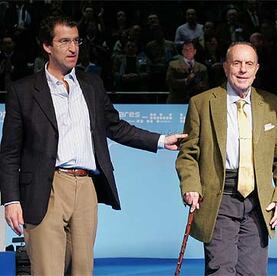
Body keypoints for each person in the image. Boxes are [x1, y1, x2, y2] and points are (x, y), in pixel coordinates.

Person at [0, 16, 186, 276]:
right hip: (46, 187)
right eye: (64, 41)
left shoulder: (92, 85)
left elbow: (115, 126)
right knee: (47, 271)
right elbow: (9, 152)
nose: (73, 48)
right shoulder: (23, 91)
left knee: (82, 270)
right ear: (47, 46)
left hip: (86, 187)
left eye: (76, 41)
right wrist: (10, 200)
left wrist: (161, 141)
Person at [176, 42, 277, 275]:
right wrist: (191, 185)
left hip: (258, 203)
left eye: (249, 64)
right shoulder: (202, 103)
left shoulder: (271, 103)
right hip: (219, 198)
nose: (243, 70)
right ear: (225, 66)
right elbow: (188, 154)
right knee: (221, 270)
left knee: (253, 273)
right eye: (237, 63)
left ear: (257, 69)